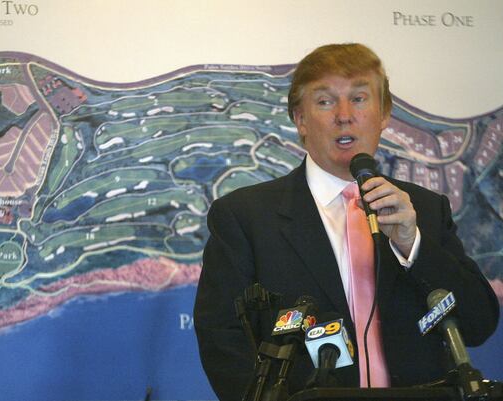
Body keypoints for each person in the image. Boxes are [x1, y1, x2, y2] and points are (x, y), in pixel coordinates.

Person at [193, 43, 499, 401]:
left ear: (384, 114)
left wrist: (412, 244)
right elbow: (222, 340)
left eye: (359, 99)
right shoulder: (245, 217)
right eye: (325, 101)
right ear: (300, 120)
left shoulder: (425, 209)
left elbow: (478, 324)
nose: (344, 115)